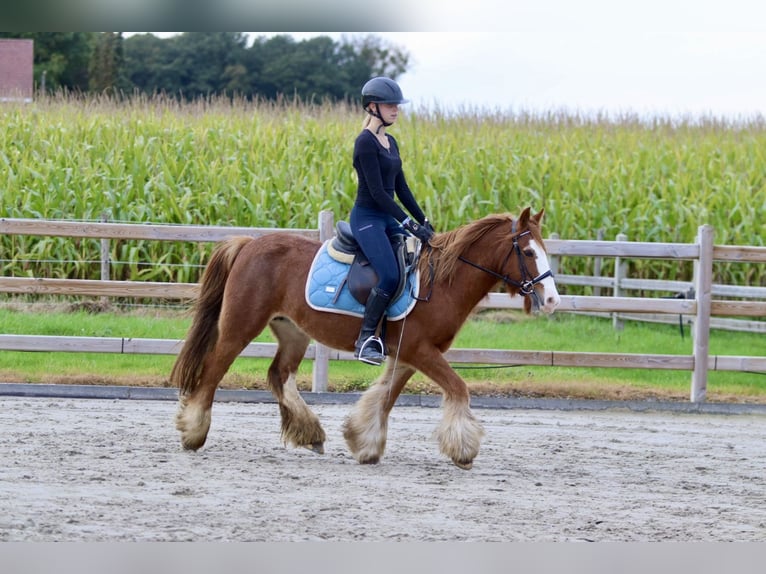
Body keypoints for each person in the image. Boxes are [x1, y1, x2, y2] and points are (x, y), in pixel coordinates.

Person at [350, 76, 434, 365]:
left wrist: (422, 218)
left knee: (413, 268)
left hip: (387, 218)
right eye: (390, 105)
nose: (396, 110)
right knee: (389, 275)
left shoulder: (391, 141)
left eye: (397, 105)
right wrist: (408, 224)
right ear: (373, 107)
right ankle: (365, 340)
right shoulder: (364, 143)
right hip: (368, 218)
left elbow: (401, 188)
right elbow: (377, 193)